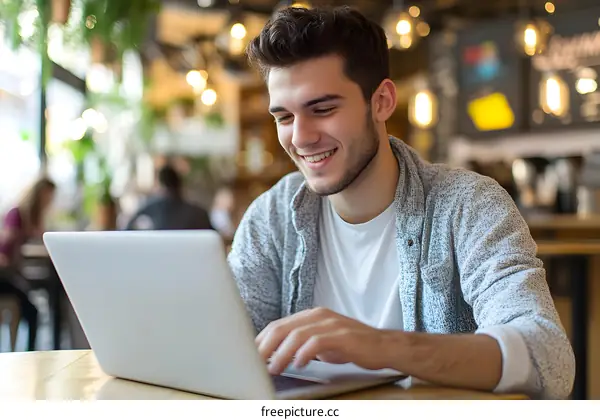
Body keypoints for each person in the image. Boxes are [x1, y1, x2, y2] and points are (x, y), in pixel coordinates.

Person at [227, 6, 575, 399]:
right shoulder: (271, 217)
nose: (301, 138)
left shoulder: (468, 205)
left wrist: (382, 347)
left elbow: (548, 358)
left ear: (382, 102)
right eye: (284, 117)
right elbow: (222, 348)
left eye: (322, 109)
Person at [0, 176, 56, 351]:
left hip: (11, 272)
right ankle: (30, 353)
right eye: (48, 196)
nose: (49, 200)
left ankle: (30, 351)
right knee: (32, 311)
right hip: (4, 274)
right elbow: (5, 245)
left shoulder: (29, 217)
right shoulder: (17, 214)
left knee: (32, 309)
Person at [125, 164, 214, 231]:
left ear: (160, 185)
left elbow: (126, 230)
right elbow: (215, 239)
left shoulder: (149, 209)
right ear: (180, 186)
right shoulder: (199, 213)